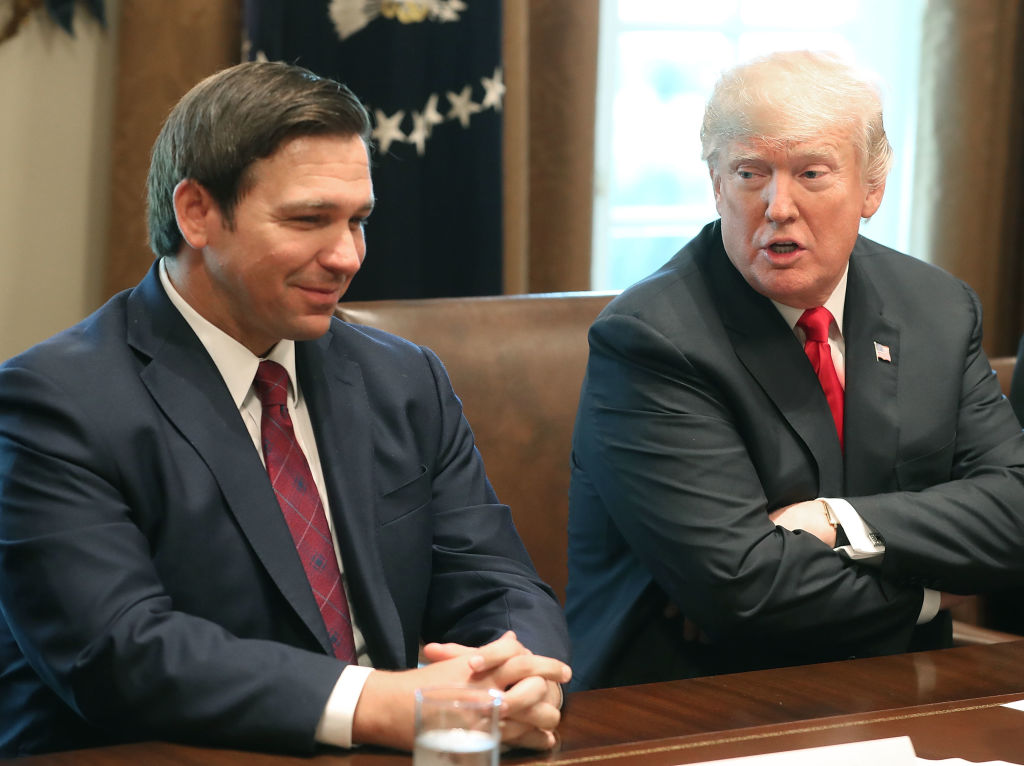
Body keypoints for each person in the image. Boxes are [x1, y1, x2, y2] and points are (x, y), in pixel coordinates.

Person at [0, 61, 570, 756]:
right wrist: (372, 703)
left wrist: (516, 670)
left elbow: (497, 578)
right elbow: (120, 653)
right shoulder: (52, 404)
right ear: (197, 213)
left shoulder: (403, 379)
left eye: (358, 221)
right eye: (309, 220)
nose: (347, 256)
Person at [566, 49, 1024, 691]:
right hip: (695, 704)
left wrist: (842, 520)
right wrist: (933, 592)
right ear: (717, 185)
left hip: (899, 690)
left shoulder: (937, 309)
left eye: (811, 173)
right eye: (751, 174)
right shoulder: (650, 341)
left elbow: (1016, 511)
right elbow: (744, 593)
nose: (778, 206)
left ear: (872, 188)